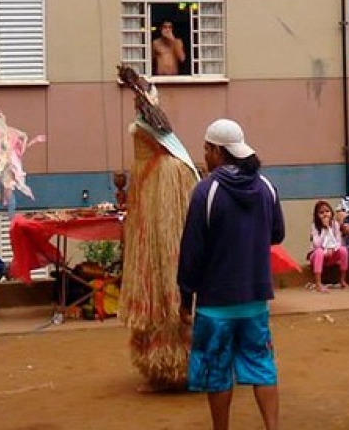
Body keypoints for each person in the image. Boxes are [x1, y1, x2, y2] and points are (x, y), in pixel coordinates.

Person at [178, 118, 285, 430]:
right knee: (262, 366)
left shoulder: (206, 191)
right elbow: (277, 234)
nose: (204, 156)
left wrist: (186, 298)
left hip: (215, 304)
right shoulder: (266, 187)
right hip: (255, 301)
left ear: (216, 151)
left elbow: (191, 252)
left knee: (217, 371)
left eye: (206, 150)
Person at [116, 64, 199, 391]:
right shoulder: (168, 155)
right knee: (159, 275)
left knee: (166, 274)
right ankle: (169, 363)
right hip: (150, 202)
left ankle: (176, 362)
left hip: (157, 204)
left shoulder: (166, 162)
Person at [309, 200, 349, 292]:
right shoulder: (315, 226)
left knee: (343, 250)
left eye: (327, 211)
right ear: (317, 215)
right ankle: (318, 283)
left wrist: (331, 248)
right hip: (318, 255)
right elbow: (317, 244)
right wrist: (324, 229)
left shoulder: (335, 225)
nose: (325, 214)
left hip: (332, 253)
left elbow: (339, 241)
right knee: (319, 252)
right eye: (321, 213)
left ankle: (342, 280)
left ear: (331, 212)